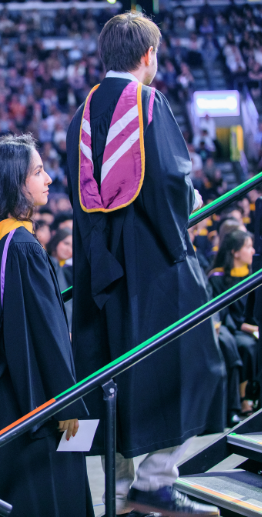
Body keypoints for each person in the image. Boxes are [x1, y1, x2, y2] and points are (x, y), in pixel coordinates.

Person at [64, 12, 224, 516]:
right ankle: (156, 481)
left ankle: (115, 493)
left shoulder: (82, 116)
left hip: (99, 269)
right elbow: (171, 185)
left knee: (111, 375)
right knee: (203, 363)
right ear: (148, 55)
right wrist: (189, 217)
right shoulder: (148, 103)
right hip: (154, 265)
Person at [0, 134, 93, 517]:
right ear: (15, 183)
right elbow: (49, 341)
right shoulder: (23, 246)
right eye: (38, 171)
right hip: (32, 412)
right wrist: (73, 417)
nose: (48, 180)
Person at [209, 230, 257, 416]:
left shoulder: (253, 277)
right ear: (235, 252)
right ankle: (244, 400)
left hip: (249, 328)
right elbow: (222, 315)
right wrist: (246, 327)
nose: (253, 251)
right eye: (248, 246)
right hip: (231, 330)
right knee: (247, 346)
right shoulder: (218, 279)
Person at [47, 227, 73, 328]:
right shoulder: (50, 263)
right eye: (66, 243)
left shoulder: (63, 268)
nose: (68, 249)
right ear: (57, 241)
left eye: (72, 247)